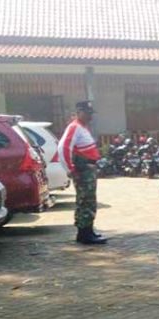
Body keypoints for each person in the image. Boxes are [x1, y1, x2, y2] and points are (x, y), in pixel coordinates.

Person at [58, 101, 106, 244]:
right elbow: (63, 148)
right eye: (87, 113)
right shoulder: (75, 127)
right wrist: (70, 169)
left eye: (91, 113)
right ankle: (85, 234)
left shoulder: (82, 127)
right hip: (83, 170)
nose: (90, 116)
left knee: (88, 201)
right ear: (79, 112)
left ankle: (87, 231)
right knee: (86, 201)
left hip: (88, 169)